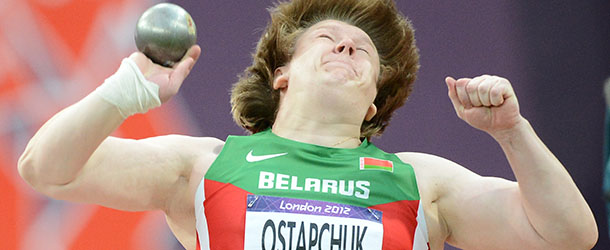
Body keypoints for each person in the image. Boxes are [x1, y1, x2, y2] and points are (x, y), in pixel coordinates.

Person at [18, 0, 597, 249]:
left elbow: (570, 235)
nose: (347, 45)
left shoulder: (421, 183)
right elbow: (45, 169)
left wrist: (511, 133)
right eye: (328, 39)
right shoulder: (202, 165)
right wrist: (123, 95)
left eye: (362, 53)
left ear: (373, 102)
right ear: (281, 75)